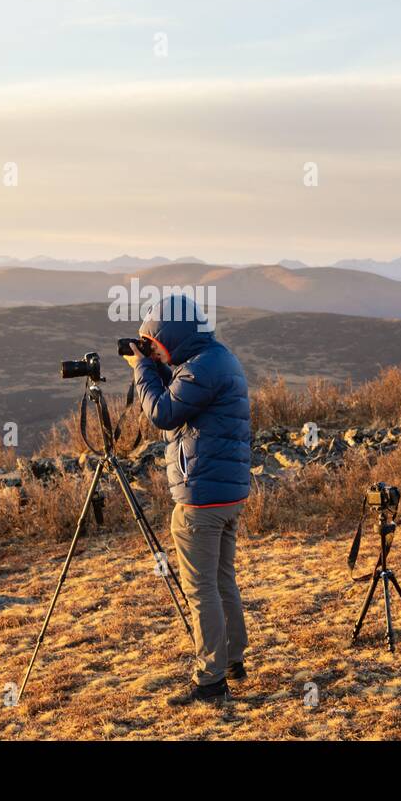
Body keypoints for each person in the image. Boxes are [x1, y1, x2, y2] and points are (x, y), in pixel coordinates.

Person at [123, 293, 251, 705]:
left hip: (201, 501)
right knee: (221, 580)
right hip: (226, 494)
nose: (153, 352)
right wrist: (155, 364)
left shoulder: (200, 370)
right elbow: (179, 403)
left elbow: (162, 414)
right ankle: (232, 658)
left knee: (202, 590)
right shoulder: (215, 360)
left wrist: (142, 367)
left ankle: (210, 680)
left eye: (154, 343)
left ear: (171, 336)